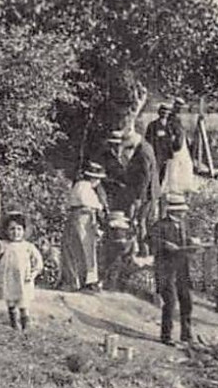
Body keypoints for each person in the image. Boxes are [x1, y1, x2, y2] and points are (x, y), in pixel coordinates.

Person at [151, 192, 206, 345]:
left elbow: (186, 242)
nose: (184, 213)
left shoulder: (183, 224)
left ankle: (186, 335)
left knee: (187, 301)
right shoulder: (160, 225)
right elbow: (150, 239)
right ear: (173, 211)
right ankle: (166, 336)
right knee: (170, 303)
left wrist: (193, 245)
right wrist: (166, 245)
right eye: (181, 210)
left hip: (182, 268)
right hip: (166, 270)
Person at [99, 126, 159, 257]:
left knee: (139, 222)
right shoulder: (144, 147)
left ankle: (142, 254)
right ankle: (139, 251)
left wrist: (137, 199)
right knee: (139, 222)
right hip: (144, 193)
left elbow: (144, 179)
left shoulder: (142, 152)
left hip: (144, 194)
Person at [0, 213, 43, 330]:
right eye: (12, 229)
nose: (16, 232)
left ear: (24, 231)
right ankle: (14, 322)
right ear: (7, 231)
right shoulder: (4, 245)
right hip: (8, 277)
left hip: (23, 278)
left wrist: (33, 274)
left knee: (23, 301)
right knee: (10, 299)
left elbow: (38, 261)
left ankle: (26, 323)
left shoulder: (28, 246)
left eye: (19, 229)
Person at [60, 161, 107, 291]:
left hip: (84, 219)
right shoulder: (83, 187)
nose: (98, 182)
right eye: (97, 179)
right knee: (82, 248)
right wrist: (98, 209)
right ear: (92, 178)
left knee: (83, 248)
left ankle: (83, 280)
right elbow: (87, 203)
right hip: (82, 218)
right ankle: (81, 280)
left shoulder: (84, 187)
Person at [145, 101, 185, 182]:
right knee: (154, 172)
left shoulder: (171, 126)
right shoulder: (152, 125)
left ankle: (160, 190)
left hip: (167, 152)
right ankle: (153, 191)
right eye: (162, 112)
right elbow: (148, 139)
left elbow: (178, 136)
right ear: (159, 113)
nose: (164, 114)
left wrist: (174, 146)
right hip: (156, 152)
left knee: (165, 173)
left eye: (166, 112)